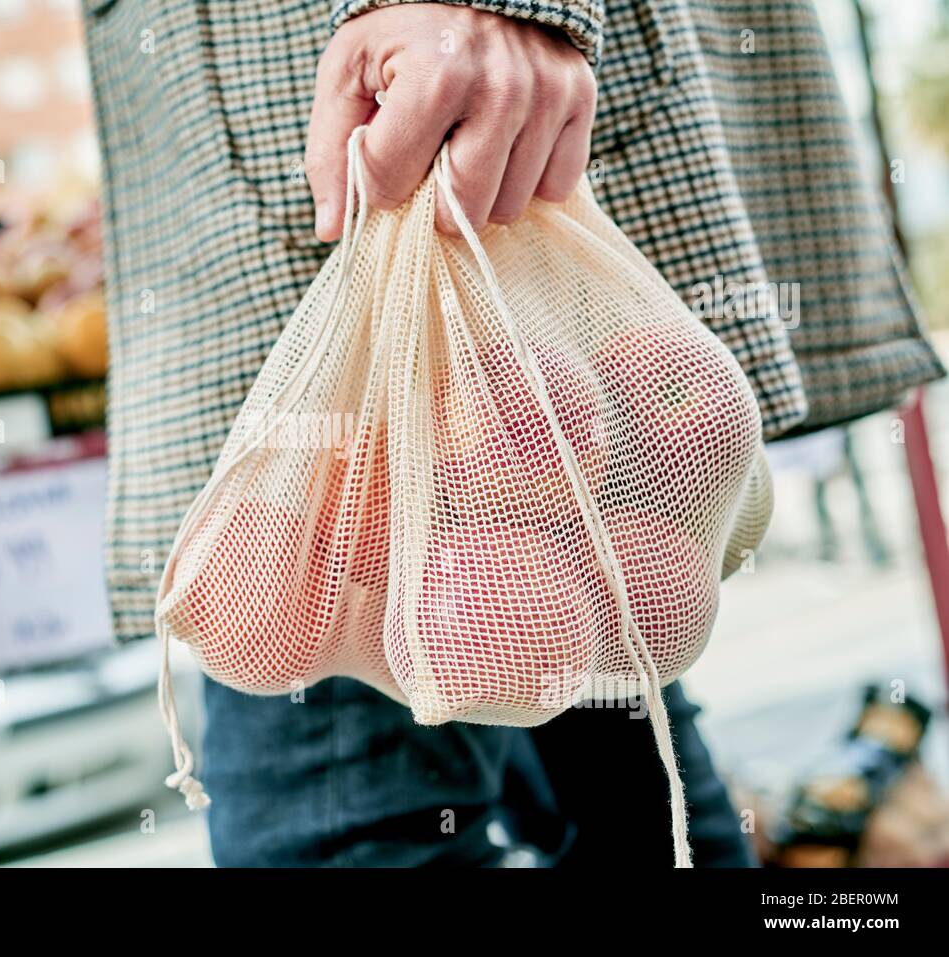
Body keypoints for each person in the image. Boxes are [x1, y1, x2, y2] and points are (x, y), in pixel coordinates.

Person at [82, 0, 943, 866]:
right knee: (630, 802)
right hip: (441, 229)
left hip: (422, 149)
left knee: (348, 831)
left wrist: (494, 9)